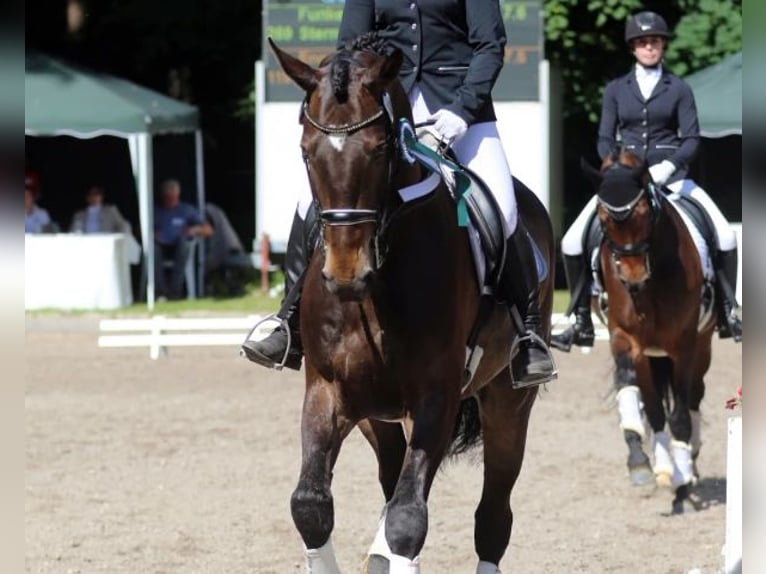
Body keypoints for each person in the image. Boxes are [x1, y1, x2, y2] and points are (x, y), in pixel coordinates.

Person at [242, 0, 556, 386]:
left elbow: (490, 46)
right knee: (309, 201)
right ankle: (287, 324)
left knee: (504, 208)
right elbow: (348, 47)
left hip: (459, 108)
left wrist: (462, 110)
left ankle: (528, 334)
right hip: (384, 106)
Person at [551, 10, 742, 352]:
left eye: (654, 41)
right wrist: (614, 170)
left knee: (725, 234)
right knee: (570, 240)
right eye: (642, 42)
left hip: (672, 177)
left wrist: (666, 168)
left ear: (662, 45)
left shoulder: (679, 88)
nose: (649, 47)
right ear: (633, 48)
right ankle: (579, 318)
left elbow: (692, 139)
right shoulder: (616, 89)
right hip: (625, 180)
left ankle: (729, 311)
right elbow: (604, 139)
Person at [153, 179, 213, 300]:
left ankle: (175, 292)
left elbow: (208, 230)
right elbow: (141, 230)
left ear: (177, 195)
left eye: (172, 197)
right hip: (161, 245)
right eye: (167, 197)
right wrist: (152, 233)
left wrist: (194, 230)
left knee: (184, 244)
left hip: (180, 246)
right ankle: (161, 292)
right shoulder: (156, 211)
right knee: (153, 249)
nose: (170, 200)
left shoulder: (186, 210)